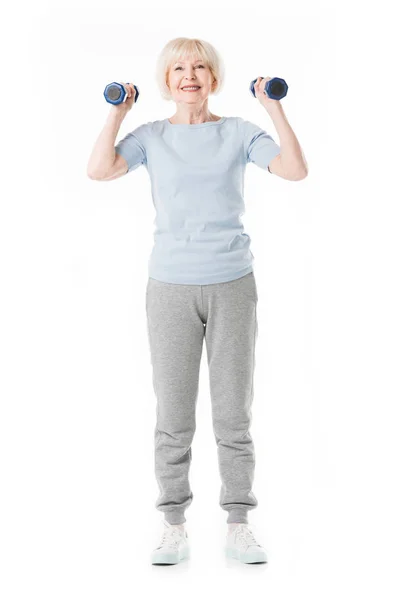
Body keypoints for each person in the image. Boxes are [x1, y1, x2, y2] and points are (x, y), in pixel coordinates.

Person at [87, 37, 308, 565]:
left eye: (201, 67)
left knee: (233, 412)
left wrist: (273, 107)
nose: (190, 75)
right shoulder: (151, 136)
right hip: (169, 288)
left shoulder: (238, 132)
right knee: (174, 413)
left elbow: (295, 170)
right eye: (179, 68)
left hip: (232, 282)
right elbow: (100, 170)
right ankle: (173, 525)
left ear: (214, 77)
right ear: (166, 80)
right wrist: (118, 113)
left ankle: (238, 523)